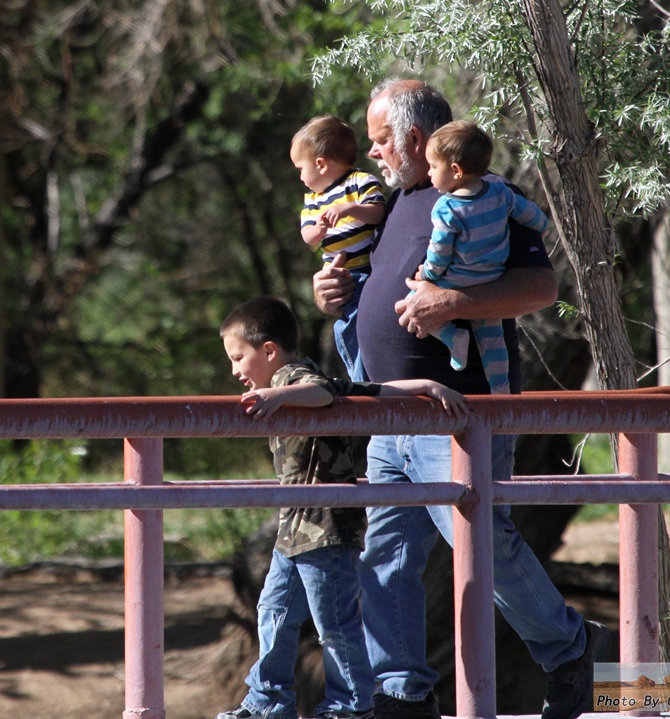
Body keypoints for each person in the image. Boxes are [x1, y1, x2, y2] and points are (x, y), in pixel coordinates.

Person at [313, 78, 609, 719]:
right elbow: (383, 290)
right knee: (385, 556)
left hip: (459, 414)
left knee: (481, 542)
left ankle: (572, 648)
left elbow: (540, 285)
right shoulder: (395, 206)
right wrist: (340, 297)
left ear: (414, 139)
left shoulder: (484, 196)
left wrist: (453, 303)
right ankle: (402, 696)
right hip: (388, 412)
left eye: (380, 141)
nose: (373, 154)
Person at [216, 295, 467, 719]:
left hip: (327, 529)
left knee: (334, 623)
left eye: (239, 358)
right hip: (294, 530)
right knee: (273, 612)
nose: (235, 369)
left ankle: (350, 705)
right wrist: (424, 386)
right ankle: (266, 701)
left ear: (269, 351)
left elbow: (324, 393)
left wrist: (279, 397)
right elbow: (367, 391)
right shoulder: (292, 382)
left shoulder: (296, 378)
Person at [419, 119, 549, 394]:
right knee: (494, 342)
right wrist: (543, 226)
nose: (429, 173)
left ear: (455, 170)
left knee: (411, 302)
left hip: (457, 281)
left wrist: (428, 275)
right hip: (491, 279)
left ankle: (453, 337)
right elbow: (533, 217)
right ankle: (500, 392)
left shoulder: (447, 208)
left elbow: (440, 251)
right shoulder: (501, 194)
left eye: (433, 167)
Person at [291, 115, 387, 381]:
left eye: (301, 168)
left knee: (358, 325)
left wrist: (349, 208)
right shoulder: (313, 200)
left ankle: (363, 381)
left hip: (366, 270)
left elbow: (378, 212)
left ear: (320, 164)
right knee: (345, 328)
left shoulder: (360, 181)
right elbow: (308, 236)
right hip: (343, 276)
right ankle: (358, 378)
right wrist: (318, 230)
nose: (300, 177)